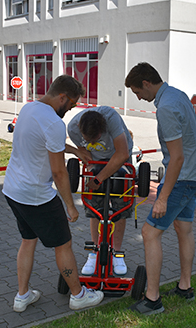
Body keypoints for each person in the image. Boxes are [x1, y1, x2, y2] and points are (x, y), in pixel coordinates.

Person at [2, 75, 104, 313]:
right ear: (62, 97)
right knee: (64, 245)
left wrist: (74, 150)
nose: (70, 110)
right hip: (36, 197)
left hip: (13, 190)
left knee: (28, 241)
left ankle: (22, 295)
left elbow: (45, 143)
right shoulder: (53, 123)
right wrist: (70, 206)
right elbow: (59, 172)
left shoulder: (29, 109)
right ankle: (78, 295)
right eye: (71, 104)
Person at [124, 62, 196, 315]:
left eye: (138, 91)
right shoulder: (177, 95)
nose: (138, 97)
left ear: (147, 83)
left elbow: (177, 157)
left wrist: (163, 198)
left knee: (150, 233)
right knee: (184, 228)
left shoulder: (167, 108)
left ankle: (152, 299)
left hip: (183, 177)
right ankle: (185, 287)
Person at [66, 107, 134, 276]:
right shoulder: (73, 127)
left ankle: (117, 253)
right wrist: (90, 168)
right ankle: (95, 251)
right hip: (97, 161)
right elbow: (82, 151)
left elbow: (122, 153)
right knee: (95, 207)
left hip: (120, 156)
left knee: (120, 206)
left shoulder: (112, 119)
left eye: (95, 138)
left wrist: (99, 179)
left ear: (103, 130)